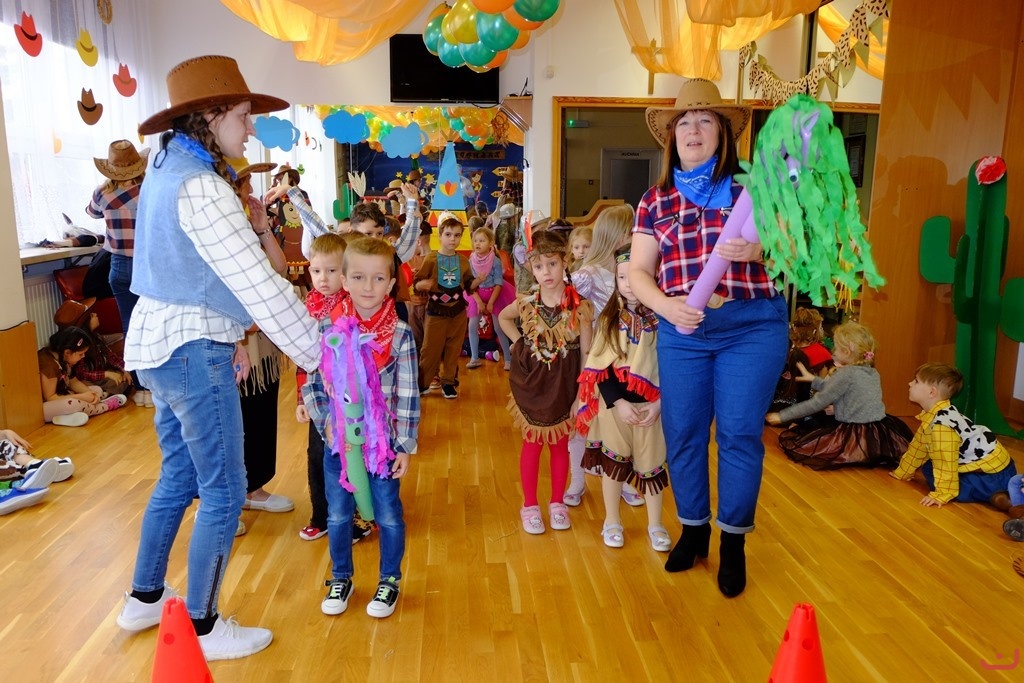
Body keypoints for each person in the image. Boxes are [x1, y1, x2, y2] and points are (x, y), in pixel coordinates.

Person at [115, 55, 321, 661]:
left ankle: (145, 596)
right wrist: (320, 353)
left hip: (160, 346)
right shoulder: (202, 186)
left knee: (179, 475)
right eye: (242, 116)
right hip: (190, 347)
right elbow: (258, 284)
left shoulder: (167, 167)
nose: (251, 128)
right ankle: (203, 626)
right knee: (226, 490)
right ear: (210, 115)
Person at [629, 78, 789, 597]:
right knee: (683, 433)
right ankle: (694, 529)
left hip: (752, 326)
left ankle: (734, 541)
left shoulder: (753, 190)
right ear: (671, 135)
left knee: (739, 433)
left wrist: (761, 251)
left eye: (705, 121)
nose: (693, 130)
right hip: (684, 329)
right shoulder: (655, 200)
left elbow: (796, 254)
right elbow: (638, 272)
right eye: (684, 122)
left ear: (722, 133)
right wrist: (665, 305)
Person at [301, 236, 418, 619]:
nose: (368, 287)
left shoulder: (400, 334)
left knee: (387, 514)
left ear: (391, 283)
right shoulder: (327, 328)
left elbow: (408, 394)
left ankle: (389, 580)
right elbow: (313, 382)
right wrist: (326, 425)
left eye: (378, 278)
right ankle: (341, 577)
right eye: (358, 277)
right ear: (344, 281)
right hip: (340, 445)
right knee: (337, 515)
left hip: (383, 447)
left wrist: (404, 445)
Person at [499, 230, 593, 535]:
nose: (546, 272)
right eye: (538, 266)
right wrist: (517, 343)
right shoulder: (526, 302)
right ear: (531, 269)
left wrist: (580, 395)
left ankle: (557, 503)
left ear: (565, 262)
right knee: (532, 443)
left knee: (560, 445)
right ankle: (529, 505)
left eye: (552, 264)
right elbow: (503, 318)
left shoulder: (580, 306)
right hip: (532, 383)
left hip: (564, 387)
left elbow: (587, 354)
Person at [576, 247, 670, 551]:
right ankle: (612, 520)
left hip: (653, 409)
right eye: (622, 277)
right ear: (615, 280)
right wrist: (619, 403)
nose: (629, 284)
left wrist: (659, 404)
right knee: (614, 466)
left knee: (652, 466)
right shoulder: (608, 320)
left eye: (636, 276)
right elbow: (600, 367)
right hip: (616, 408)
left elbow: (674, 368)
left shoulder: (664, 320)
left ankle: (656, 525)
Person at [295, 233, 373, 545]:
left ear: (344, 273)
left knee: (351, 457)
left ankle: (355, 516)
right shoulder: (307, 309)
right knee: (317, 456)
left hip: (348, 401)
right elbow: (302, 358)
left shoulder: (351, 308)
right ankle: (320, 516)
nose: (323, 278)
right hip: (317, 399)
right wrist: (301, 398)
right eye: (316, 271)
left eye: (331, 271)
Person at [565, 205, 644, 508]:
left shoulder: (631, 272)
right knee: (582, 419)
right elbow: (568, 315)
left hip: (622, 361)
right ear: (618, 235)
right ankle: (577, 480)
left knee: (618, 423)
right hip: (591, 359)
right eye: (631, 230)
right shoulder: (586, 275)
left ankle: (620, 479)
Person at [232, 160, 294, 528]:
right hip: (235, 338)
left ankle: (253, 489)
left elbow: (280, 268)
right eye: (244, 183)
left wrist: (262, 228)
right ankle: (227, 501)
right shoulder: (217, 226)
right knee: (233, 420)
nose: (251, 190)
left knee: (259, 412)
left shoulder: (246, 223)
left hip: (260, 341)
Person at [766, 322, 914, 469]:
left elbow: (817, 403)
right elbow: (843, 391)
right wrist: (814, 380)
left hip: (854, 430)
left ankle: (857, 450)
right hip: (877, 428)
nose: (833, 351)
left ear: (847, 352)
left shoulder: (845, 374)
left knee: (811, 429)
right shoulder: (871, 371)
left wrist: (783, 416)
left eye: (836, 347)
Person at [890, 363, 1017, 510]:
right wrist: (903, 472)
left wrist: (942, 494)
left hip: (994, 476)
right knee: (930, 465)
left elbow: (945, 462)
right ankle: (1002, 492)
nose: (910, 383)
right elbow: (919, 447)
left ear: (931, 392)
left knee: (936, 471)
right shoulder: (935, 415)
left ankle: (1001, 496)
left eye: (916, 381)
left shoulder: (941, 427)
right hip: (996, 469)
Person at [86, 139, 151, 406]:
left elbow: (92, 213)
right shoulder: (148, 190)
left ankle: (141, 389)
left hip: (118, 268)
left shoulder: (101, 193)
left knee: (130, 328)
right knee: (152, 327)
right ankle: (155, 387)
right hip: (147, 267)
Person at [414, 216, 475, 399]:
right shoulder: (431, 258)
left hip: (458, 311)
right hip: (436, 310)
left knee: (453, 348)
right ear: (439, 236)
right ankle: (423, 382)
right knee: (430, 348)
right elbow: (417, 282)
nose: (452, 239)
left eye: (457, 235)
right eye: (448, 234)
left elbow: (469, 284)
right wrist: (422, 285)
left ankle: (448, 382)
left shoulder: (463, 261)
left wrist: (477, 281)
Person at [38, 327, 127, 427]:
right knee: (73, 404)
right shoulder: (48, 365)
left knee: (97, 390)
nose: (83, 356)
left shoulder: (63, 358)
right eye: (81, 354)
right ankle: (104, 406)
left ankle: (66, 417)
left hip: (61, 398)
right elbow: (50, 397)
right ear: (67, 352)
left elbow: (73, 382)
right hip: (43, 408)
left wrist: (90, 393)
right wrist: (82, 396)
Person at [53, 298, 132, 398]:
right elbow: (81, 374)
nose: (95, 314)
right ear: (85, 324)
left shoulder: (96, 337)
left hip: (100, 376)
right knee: (91, 384)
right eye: (91, 315)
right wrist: (106, 374)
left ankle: (106, 394)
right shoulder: (78, 346)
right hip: (89, 379)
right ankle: (104, 394)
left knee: (123, 377)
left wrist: (124, 369)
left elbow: (111, 357)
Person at [769, 307, 833, 417]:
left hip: (774, 405)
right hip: (806, 408)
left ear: (794, 327)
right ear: (815, 330)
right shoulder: (822, 353)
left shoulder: (783, 348)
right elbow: (821, 388)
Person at [465, 226, 513, 371]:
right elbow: (470, 285)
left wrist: (491, 302)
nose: (478, 243)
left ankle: (508, 359)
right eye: (476, 241)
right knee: (472, 326)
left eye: (482, 240)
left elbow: (499, 283)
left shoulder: (496, 261)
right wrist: (479, 301)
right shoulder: (471, 260)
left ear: (491, 243)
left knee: (499, 327)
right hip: (477, 294)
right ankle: (474, 358)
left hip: (495, 294)